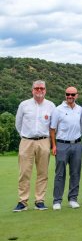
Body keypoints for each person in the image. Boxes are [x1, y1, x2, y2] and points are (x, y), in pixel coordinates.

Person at [13, 80, 56, 212]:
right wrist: (25, 136)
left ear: (45, 90)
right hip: (26, 141)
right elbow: (18, 124)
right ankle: (23, 201)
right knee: (24, 172)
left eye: (41, 88)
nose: (39, 90)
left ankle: (39, 201)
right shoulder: (24, 105)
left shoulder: (51, 105)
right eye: (36, 88)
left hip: (44, 141)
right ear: (32, 90)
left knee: (42, 173)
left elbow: (53, 126)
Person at [50, 86, 82, 210]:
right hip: (62, 144)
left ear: (76, 95)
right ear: (65, 95)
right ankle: (57, 200)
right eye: (68, 94)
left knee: (75, 172)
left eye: (72, 94)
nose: (70, 96)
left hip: (77, 144)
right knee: (60, 173)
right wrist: (54, 145)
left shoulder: (80, 109)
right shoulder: (58, 110)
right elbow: (52, 129)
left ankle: (73, 199)